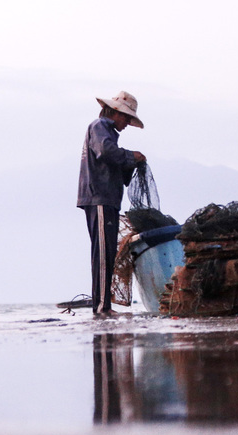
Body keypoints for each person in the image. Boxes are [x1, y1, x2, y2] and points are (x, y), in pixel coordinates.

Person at [78, 91, 146, 314]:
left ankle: (102, 304)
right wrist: (131, 156)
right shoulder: (99, 126)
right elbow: (106, 152)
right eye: (126, 118)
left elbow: (114, 163)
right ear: (115, 112)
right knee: (102, 254)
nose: (127, 123)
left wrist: (131, 163)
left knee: (107, 254)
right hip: (99, 197)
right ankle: (101, 307)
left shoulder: (108, 133)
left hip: (107, 200)